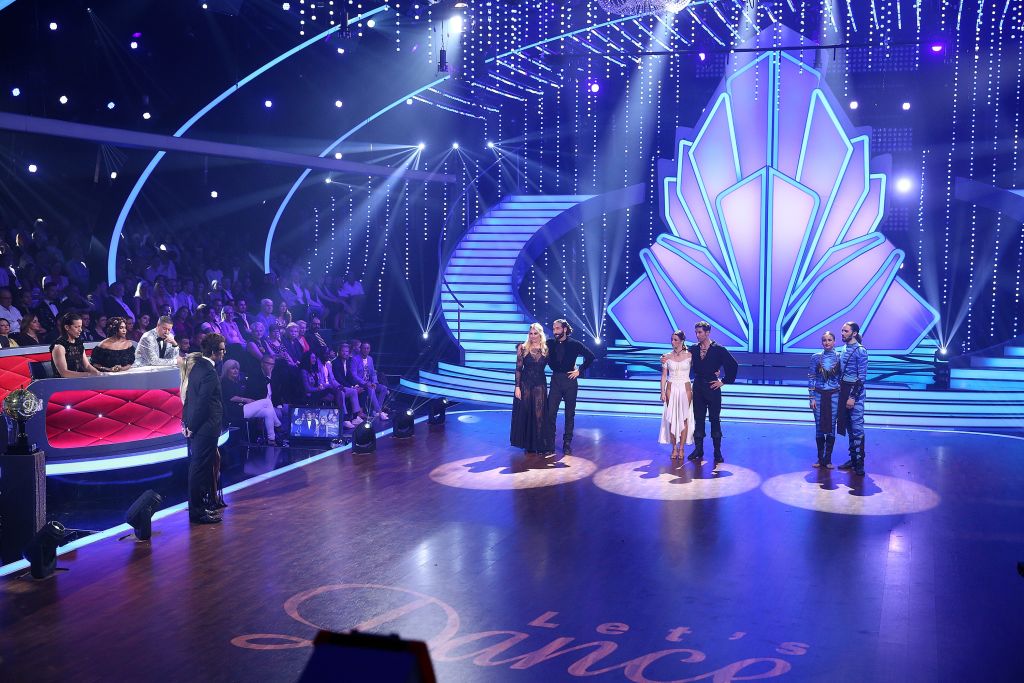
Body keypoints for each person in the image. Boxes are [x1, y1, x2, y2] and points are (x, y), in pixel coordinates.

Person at [181, 333, 227, 524]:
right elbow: (202, 403)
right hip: (205, 427)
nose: (225, 352)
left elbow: (190, 398)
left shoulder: (197, 367)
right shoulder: (208, 371)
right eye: (223, 349)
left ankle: (200, 507)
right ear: (215, 352)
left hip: (197, 426)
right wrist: (191, 425)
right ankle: (198, 511)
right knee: (200, 469)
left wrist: (186, 423)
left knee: (198, 467)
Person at [684, 321, 738, 469]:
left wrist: (724, 381)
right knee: (698, 419)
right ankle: (699, 449)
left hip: (713, 387)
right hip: (698, 386)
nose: (697, 335)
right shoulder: (693, 349)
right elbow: (680, 356)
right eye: (696, 332)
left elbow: (733, 365)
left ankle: (717, 452)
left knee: (714, 419)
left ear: (707, 332)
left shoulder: (719, 349)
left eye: (700, 332)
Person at [544, 319, 595, 456]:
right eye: (553, 329)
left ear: (565, 329)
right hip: (555, 380)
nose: (555, 331)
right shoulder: (549, 343)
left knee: (569, 414)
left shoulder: (574, 344)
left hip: (570, 381)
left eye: (557, 329)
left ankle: (567, 443)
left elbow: (591, 356)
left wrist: (580, 370)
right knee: (550, 413)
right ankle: (550, 444)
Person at [510, 323, 552, 454]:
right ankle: (528, 444)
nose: (533, 336)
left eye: (535, 333)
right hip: (525, 384)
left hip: (540, 384)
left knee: (539, 414)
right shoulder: (523, 348)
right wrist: (517, 387)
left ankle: (539, 444)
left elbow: (556, 364)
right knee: (526, 413)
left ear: (540, 334)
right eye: (531, 333)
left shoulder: (546, 349)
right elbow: (518, 369)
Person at [221, 359, 281, 445]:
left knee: (268, 412)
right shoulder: (225, 381)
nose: (235, 371)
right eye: (233, 368)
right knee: (267, 402)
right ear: (227, 370)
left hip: (242, 407)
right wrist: (246, 400)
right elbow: (231, 397)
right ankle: (278, 425)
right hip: (235, 411)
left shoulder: (236, 382)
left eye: (237, 369)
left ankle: (271, 439)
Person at [836, 321, 869, 476]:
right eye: (842, 330)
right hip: (843, 389)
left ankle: (860, 463)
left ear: (854, 333)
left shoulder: (861, 351)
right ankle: (853, 459)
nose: (842, 333)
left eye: (846, 331)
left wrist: (852, 397)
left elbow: (861, 378)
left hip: (854, 392)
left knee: (857, 427)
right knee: (848, 426)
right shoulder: (843, 348)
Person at [659, 330, 694, 460]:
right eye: (672, 339)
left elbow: (701, 367)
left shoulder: (690, 355)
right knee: (672, 418)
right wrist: (662, 392)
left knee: (684, 419)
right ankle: (674, 448)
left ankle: (682, 449)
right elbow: (663, 376)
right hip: (671, 387)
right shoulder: (666, 356)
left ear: (682, 341)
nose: (673, 342)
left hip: (685, 387)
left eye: (675, 340)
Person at [808, 330, 841, 469]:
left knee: (832, 426)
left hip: (834, 395)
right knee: (819, 427)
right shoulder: (815, 357)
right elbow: (811, 377)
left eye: (829, 340)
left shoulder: (841, 357)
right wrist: (811, 398)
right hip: (819, 395)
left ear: (834, 342)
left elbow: (842, 377)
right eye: (824, 340)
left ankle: (828, 460)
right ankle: (820, 459)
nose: (827, 343)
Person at [50, 312, 101, 378]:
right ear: (67, 327)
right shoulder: (59, 347)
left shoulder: (78, 343)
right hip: (63, 384)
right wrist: (89, 374)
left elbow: (87, 366)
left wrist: (98, 374)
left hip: (80, 380)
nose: (80, 330)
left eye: (80, 326)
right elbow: (64, 373)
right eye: (76, 327)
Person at [351, 342, 389, 420]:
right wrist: (365, 383)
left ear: (369, 349)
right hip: (360, 383)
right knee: (370, 388)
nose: (366, 350)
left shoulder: (370, 359)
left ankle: (375, 411)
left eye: (367, 348)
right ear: (361, 349)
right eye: (364, 348)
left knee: (384, 388)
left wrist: (375, 382)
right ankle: (380, 412)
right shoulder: (355, 359)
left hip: (370, 382)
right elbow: (354, 375)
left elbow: (373, 373)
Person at [331, 342, 366, 426]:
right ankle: (345, 419)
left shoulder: (348, 362)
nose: (344, 353)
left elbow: (350, 376)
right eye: (343, 351)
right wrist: (351, 387)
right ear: (339, 352)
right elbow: (339, 378)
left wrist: (355, 385)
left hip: (345, 386)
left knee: (357, 391)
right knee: (349, 392)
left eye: (346, 351)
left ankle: (354, 417)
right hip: (337, 387)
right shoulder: (335, 362)